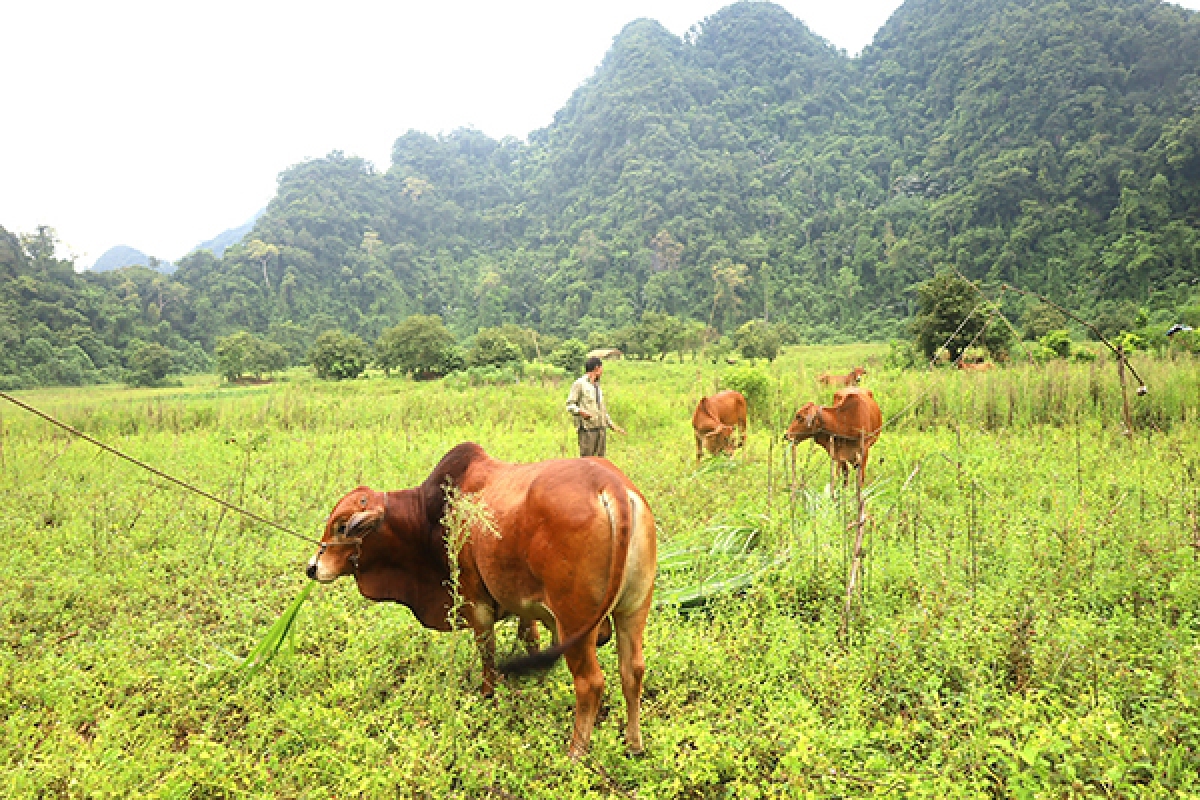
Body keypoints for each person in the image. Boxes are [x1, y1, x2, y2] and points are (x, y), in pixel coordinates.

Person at [565, 356, 625, 457]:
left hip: (601, 429)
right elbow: (570, 405)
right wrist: (581, 412)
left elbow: (602, 409)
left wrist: (611, 425)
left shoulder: (597, 386)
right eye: (601, 368)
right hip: (587, 430)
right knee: (587, 462)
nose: (602, 371)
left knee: (600, 462)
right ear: (596, 368)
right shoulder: (579, 384)